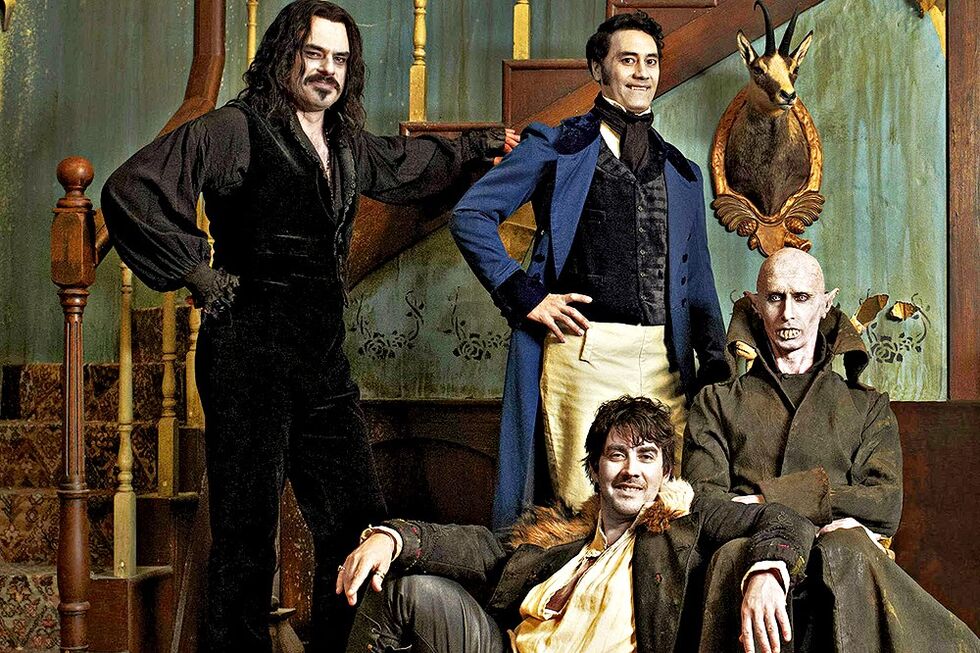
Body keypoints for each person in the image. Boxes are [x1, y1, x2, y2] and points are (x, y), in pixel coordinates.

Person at [100, 1, 513, 649]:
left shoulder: (346, 144)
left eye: (340, 59)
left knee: (356, 526)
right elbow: (132, 189)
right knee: (245, 538)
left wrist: (477, 147)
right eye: (314, 54)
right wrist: (198, 274)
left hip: (322, 364)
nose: (327, 70)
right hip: (245, 358)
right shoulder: (235, 128)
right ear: (284, 56)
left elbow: (405, 164)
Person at [450, 11, 728, 529]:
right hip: (583, 356)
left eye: (651, 62)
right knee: (587, 516)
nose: (642, 73)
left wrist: (716, 368)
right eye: (628, 60)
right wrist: (527, 295)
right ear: (599, 70)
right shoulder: (556, 148)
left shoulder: (682, 172)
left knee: (667, 515)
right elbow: (470, 216)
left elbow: (699, 285)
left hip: (666, 361)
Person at [337, 396, 812, 653]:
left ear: (666, 472)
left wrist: (768, 572)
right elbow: (481, 547)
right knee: (402, 590)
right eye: (616, 455)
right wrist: (392, 538)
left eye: (646, 456)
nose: (631, 470)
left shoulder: (685, 524)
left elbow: (783, 518)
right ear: (595, 470)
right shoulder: (563, 537)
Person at [683, 247, 980, 652]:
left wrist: (762, 498)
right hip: (744, 565)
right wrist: (781, 541)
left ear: (826, 304)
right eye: (775, 297)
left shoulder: (867, 406)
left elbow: (884, 504)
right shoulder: (716, 402)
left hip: (839, 578)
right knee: (735, 554)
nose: (788, 313)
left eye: (802, 298)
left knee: (847, 549)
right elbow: (703, 506)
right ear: (754, 305)